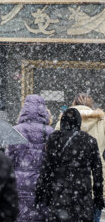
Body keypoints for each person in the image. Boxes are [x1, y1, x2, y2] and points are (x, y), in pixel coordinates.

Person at [36, 108, 104, 221]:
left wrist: (41, 191)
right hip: (82, 197)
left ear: (62, 121)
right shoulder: (89, 141)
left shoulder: (54, 139)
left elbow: (46, 168)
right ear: (78, 122)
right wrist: (98, 197)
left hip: (58, 196)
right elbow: (97, 172)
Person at [55, 93, 105, 222]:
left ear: (73, 104)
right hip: (93, 180)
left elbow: (53, 151)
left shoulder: (62, 121)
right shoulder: (102, 121)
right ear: (91, 104)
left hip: (66, 182)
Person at [6, 94, 54, 221]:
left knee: (21, 215)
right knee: (40, 214)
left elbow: (8, 159)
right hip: (42, 182)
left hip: (19, 182)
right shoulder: (50, 132)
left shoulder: (15, 130)